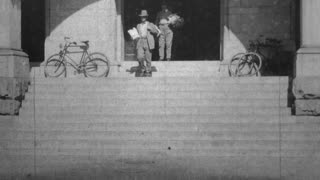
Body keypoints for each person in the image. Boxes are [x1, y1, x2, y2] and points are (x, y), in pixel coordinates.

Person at [136, 10, 161, 77]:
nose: (143, 18)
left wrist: (151, 29)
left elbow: (156, 32)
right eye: (141, 17)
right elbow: (137, 34)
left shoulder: (150, 24)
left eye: (144, 17)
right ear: (140, 17)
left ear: (146, 17)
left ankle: (148, 70)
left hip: (148, 42)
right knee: (139, 57)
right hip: (140, 41)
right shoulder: (138, 25)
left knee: (148, 57)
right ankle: (142, 68)